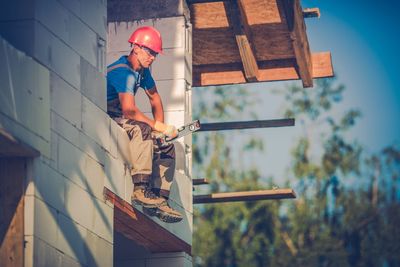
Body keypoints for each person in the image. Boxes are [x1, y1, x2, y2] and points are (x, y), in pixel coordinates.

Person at [107, 26, 182, 223]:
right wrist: (156, 126)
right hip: (109, 115)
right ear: (136, 48)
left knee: (166, 146)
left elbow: (155, 99)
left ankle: (158, 200)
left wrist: (161, 130)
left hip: (123, 115)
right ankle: (140, 190)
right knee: (143, 128)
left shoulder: (142, 71)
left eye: (155, 54)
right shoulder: (123, 72)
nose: (153, 58)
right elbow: (129, 110)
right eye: (150, 52)